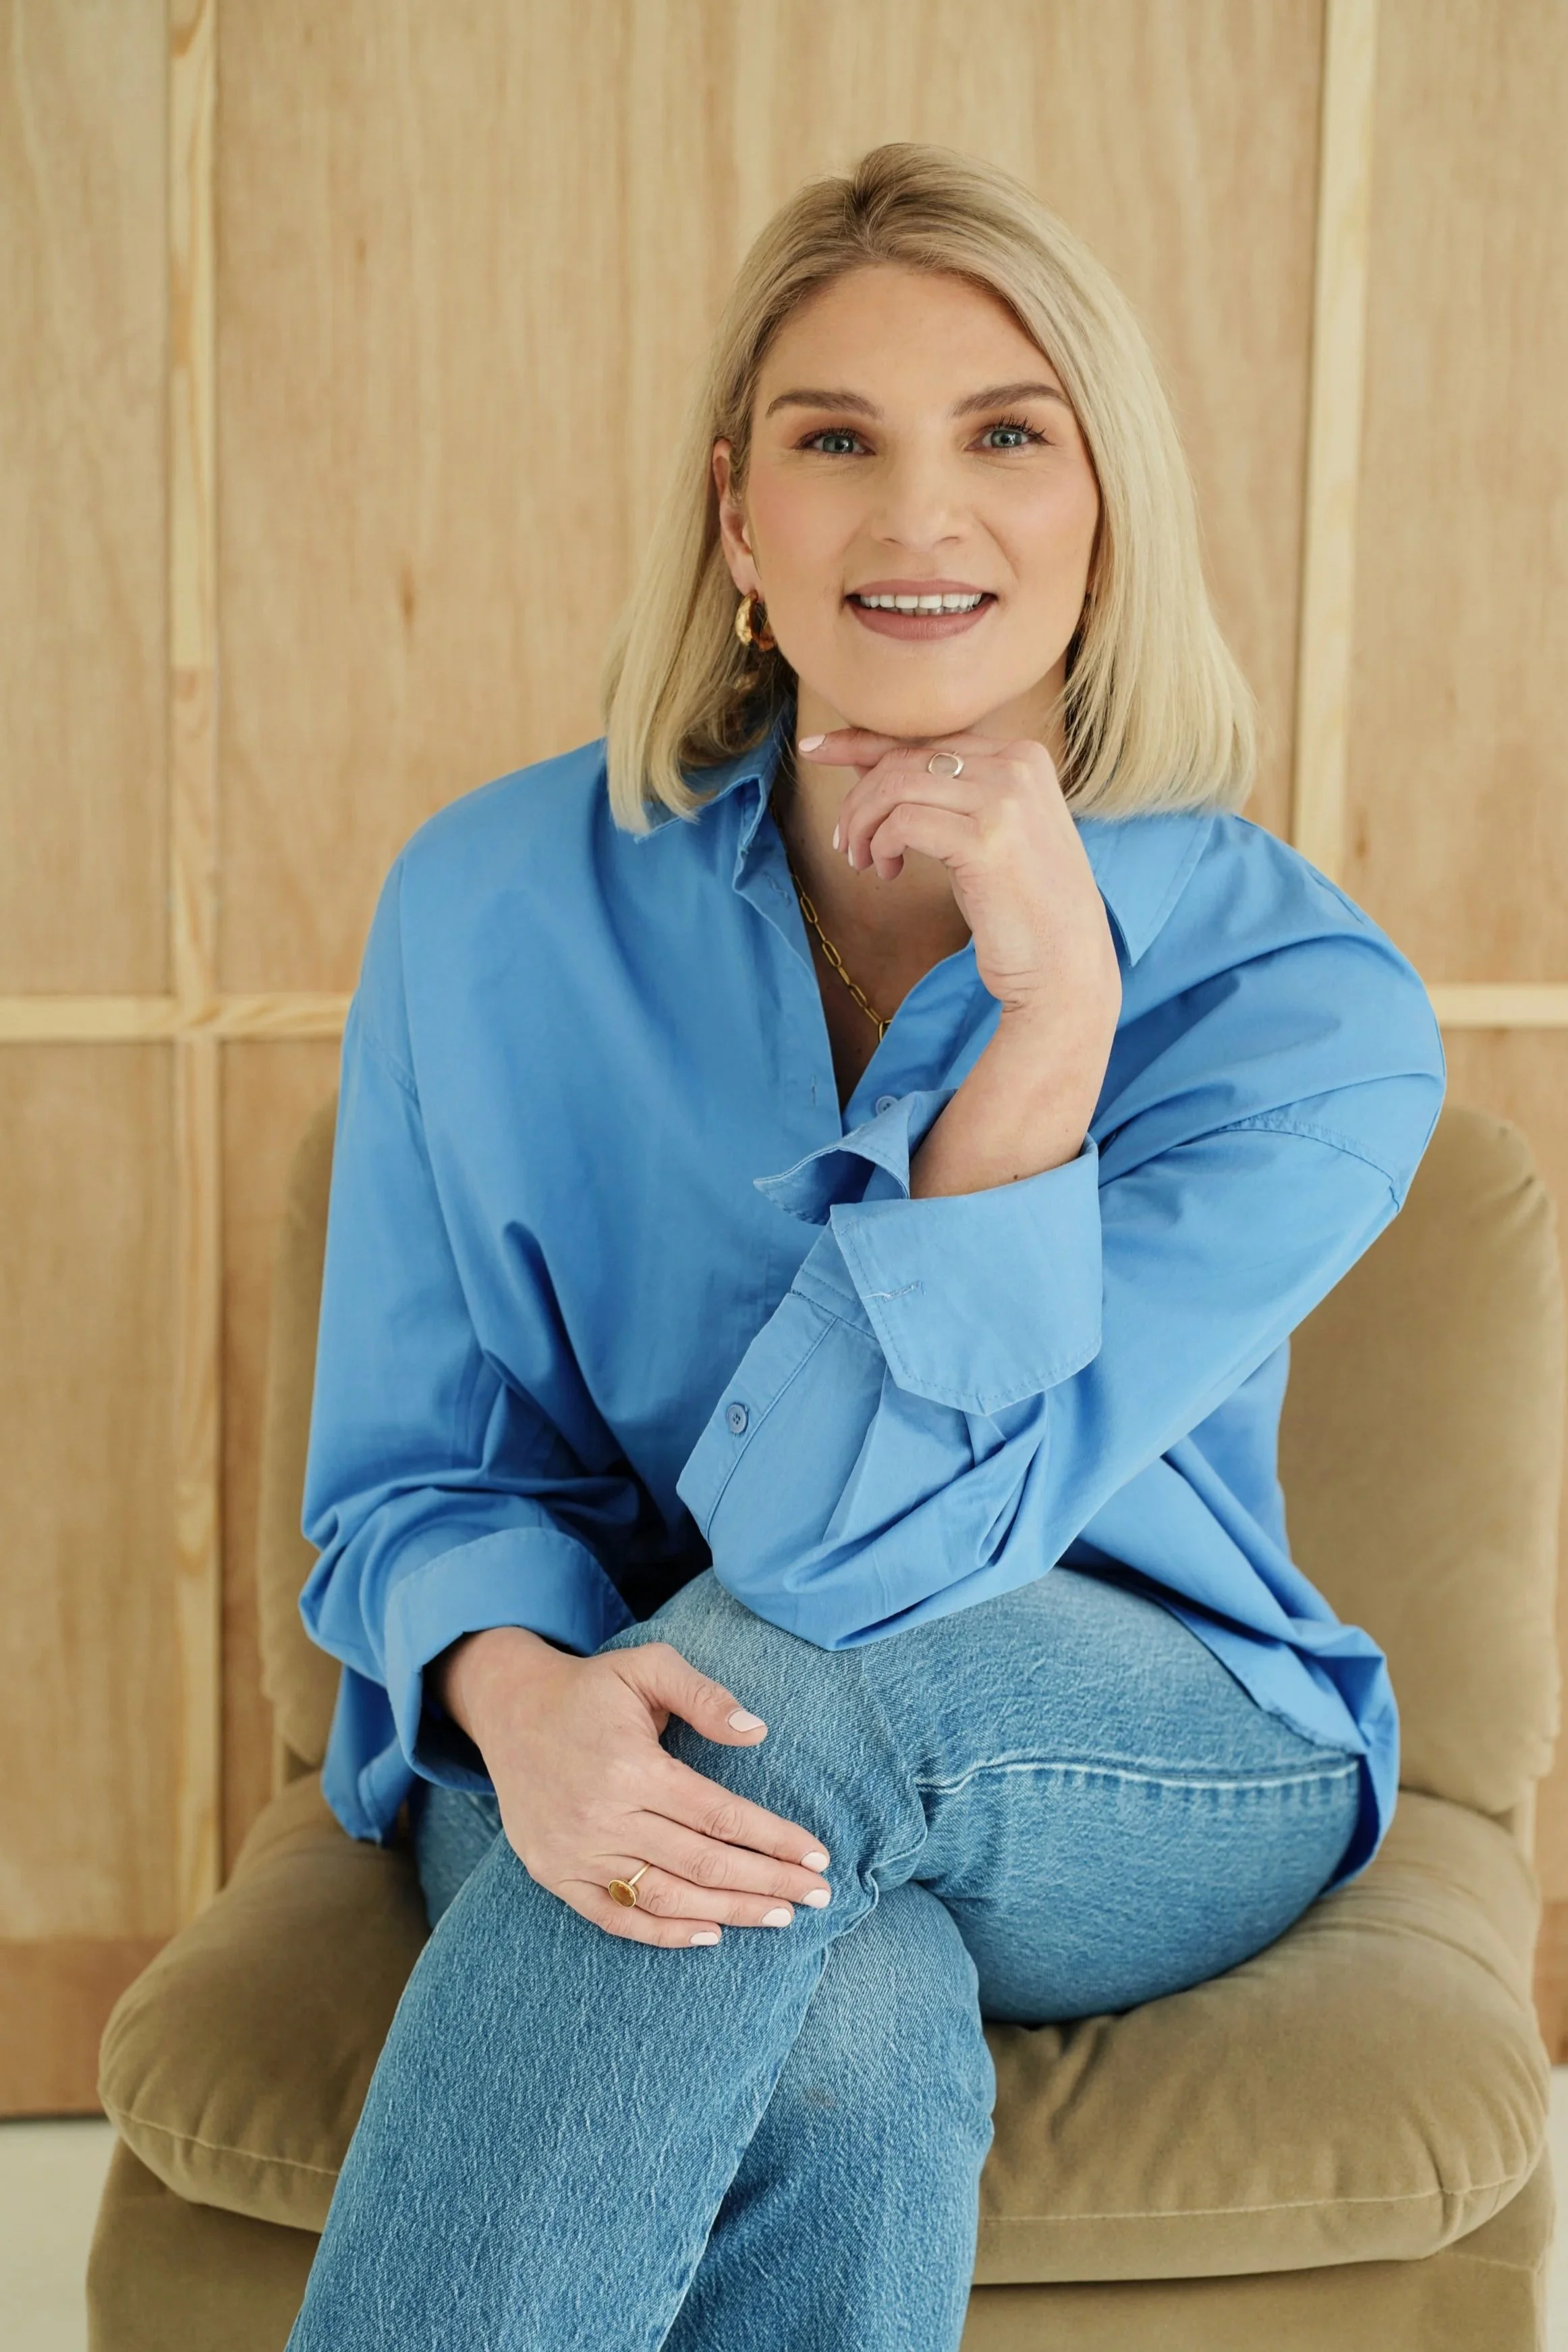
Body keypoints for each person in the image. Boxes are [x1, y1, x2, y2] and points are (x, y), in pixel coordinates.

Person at [284, 142, 1445, 2350]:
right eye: (838, 441)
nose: (922, 517)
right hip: (624, 1698)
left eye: (1007, 434)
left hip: (1159, 1727)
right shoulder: (488, 903)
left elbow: (833, 1574)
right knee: (837, 2016)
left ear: (1106, 517)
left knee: (776, 1691)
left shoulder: (1308, 1009)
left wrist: (1044, 1039)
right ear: (738, 516)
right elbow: (407, 1483)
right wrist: (516, 1692)